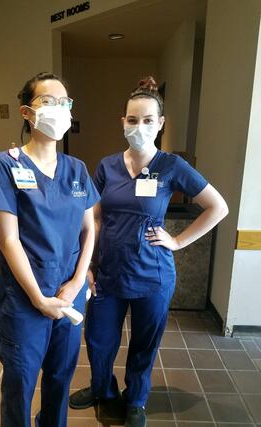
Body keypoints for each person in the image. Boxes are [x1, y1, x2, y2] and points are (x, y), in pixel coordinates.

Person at [69, 76, 229, 427]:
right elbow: (94, 219)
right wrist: (88, 265)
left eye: (146, 120)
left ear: (160, 124)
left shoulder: (171, 166)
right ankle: (103, 391)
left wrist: (177, 241)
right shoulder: (107, 166)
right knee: (98, 341)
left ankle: (136, 400)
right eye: (131, 119)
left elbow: (217, 207)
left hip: (152, 274)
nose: (138, 126)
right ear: (122, 122)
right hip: (108, 274)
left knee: (144, 344)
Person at [0, 72, 100, 427]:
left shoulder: (76, 169)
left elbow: (89, 228)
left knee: (60, 381)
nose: (59, 109)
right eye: (48, 101)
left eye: (65, 102)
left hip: (69, 295)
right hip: (25, 300)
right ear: (26, 113)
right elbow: (8, 239)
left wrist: (78, 282)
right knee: (20, 385)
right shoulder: (4, 166)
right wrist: (37, 296)